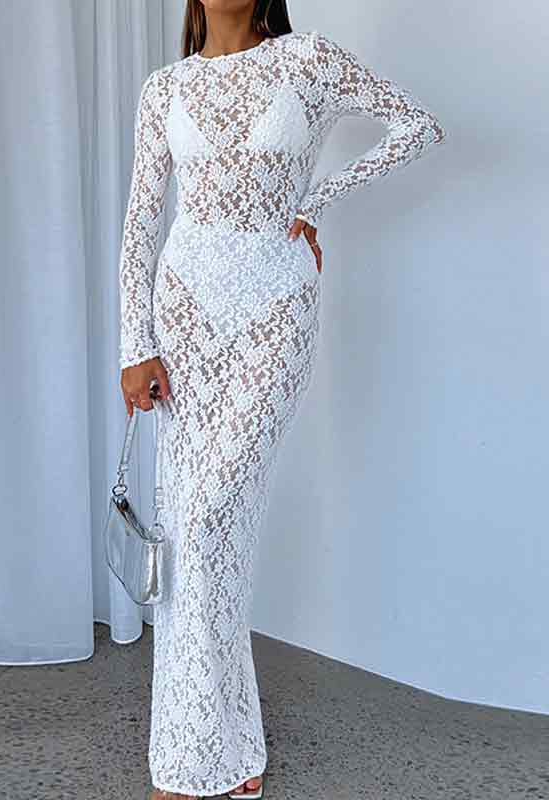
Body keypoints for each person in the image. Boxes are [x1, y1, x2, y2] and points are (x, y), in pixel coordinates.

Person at [117, 1, 446, 798]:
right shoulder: (166, 87)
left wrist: (317, 199)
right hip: (184, 314)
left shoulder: (308, 61)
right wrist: (134, 345)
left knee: (212, 517)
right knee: (195, 526)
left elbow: (416, 126)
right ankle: (211, 749)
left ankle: (208, 753)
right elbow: (140, 223)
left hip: (276, 305)